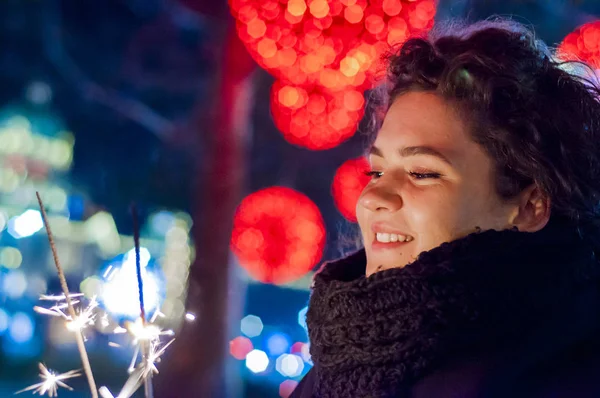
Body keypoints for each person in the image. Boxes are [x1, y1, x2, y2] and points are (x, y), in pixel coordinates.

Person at [290, 18, 600, 398]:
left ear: (531, 204)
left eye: (421, 173)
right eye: (376, 171)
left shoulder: (559, 374)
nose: (372, 199)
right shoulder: (336, 362)